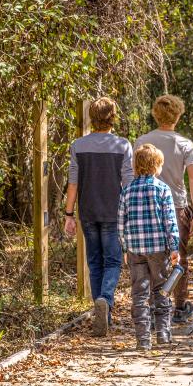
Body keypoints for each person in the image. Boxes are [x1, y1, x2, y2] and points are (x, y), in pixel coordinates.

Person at [64, 97, 134, 337]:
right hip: (115, 213)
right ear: (113, 117)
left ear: (91, 118)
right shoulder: (123, 146)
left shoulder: (78, 145)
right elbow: (129, 183)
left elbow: (73, 183)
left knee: (94, 262)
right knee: (113, 261)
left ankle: (101, 312)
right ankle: (105, 299)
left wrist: (69, 214)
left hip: (88, 211)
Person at [135, 95, 193, 323]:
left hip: (147, 206)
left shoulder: (142, 141)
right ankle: (180, 306)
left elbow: (134, 174)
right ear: (178, 115)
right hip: (176, 206)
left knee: (153, 256)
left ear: (155, 113)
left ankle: (157, 305)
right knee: (178, 257)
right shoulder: (184, 144)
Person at [119, 144, 181, 352]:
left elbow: (121, 223)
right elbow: (170, 222)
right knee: (161, 290)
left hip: (136, 250)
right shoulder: (163, 190)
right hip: (158, 249)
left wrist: (125, 248)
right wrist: (174, 248)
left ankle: (143, 339)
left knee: (139, 293)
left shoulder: (126, 190)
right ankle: (163, 333)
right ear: (157, 167)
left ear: (136, 167)